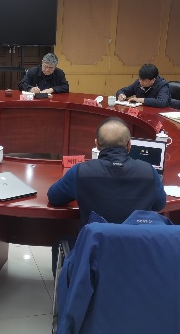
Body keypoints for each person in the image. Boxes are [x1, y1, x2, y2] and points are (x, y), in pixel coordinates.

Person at [47, 117, 166, 273]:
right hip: (138, 257)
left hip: (92, 259)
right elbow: (160, 204)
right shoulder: (149, 172)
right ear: (129, 145)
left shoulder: (81, 172)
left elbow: (54, 197)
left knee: (61, 241)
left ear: (96, 145)